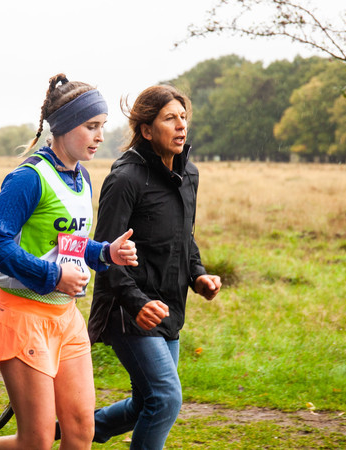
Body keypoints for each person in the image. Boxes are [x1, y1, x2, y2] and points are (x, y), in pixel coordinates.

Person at [0, 73, 138, 450]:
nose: (100, 136)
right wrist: (51, 275)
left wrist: (105, 253)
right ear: (62, 127)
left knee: (81, 433)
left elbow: (69, 245)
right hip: (23, 317)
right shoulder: (29, 178)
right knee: (37, 441)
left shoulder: (81, 178)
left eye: (102, 127)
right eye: (91, 126)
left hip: (67, 319)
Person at [87, 85, 222, 450]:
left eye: (183, 118)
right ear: (146, 130)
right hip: (126, 310)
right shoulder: (125, 178)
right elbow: (104, 254)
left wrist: (198, 274)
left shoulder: (188, 174)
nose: (181, 126)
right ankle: (70, 428)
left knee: (145, 404)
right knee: (164, 399)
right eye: (169, 119)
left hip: (167, 307)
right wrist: (136, 303)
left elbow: (183, 238)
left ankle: (71, 428)